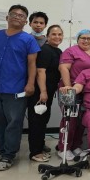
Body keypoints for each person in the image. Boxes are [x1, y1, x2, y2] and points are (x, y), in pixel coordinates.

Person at [0, 4, 40, 171]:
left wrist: (30, 83)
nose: (17, 17)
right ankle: (0, 151)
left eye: (21, 16)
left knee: (14, 123)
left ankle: (8, 155)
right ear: (7, 18)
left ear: (25, 22)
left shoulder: (28, 40)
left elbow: (32, 64)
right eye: (13, 14)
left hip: (15, 88)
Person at [57, 29, 90, 161]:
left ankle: (75, 145)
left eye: (89, 38)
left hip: (87, 92)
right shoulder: (71, 51)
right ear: (78, 39)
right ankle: (63, 148)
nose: (86, 40)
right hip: (70, 90)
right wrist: (68, 86)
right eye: (83, 38)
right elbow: (63, 68)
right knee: (69, 119)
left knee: (81, 120)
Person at [27, 25, 63, 162]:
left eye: (60, 34)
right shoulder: (45, 50)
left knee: (43, 120)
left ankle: (40, 146)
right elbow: (40, 71)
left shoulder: (58, 51)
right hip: (40, 92)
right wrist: (43, 91)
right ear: (47, 36)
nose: (57, 37)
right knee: (37, 121)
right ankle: (35, 152)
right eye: (54, 34)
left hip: (48, 91)